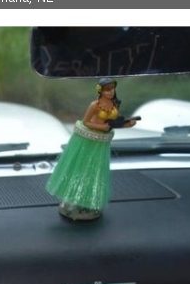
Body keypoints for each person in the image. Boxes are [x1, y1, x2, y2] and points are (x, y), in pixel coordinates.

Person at [46, 78, 141, 221]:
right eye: (107, 89)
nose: (110, 92)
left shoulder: (114, 104)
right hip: (87, 140)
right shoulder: (94, 105)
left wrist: (128, 124)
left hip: (101, 142)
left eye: (112, 89)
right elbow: (86, 122)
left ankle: (88, 201)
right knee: (81, 169)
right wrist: (102, 127)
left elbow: (114, 122)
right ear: (100, 90)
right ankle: (73, 200)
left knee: (95, 171)